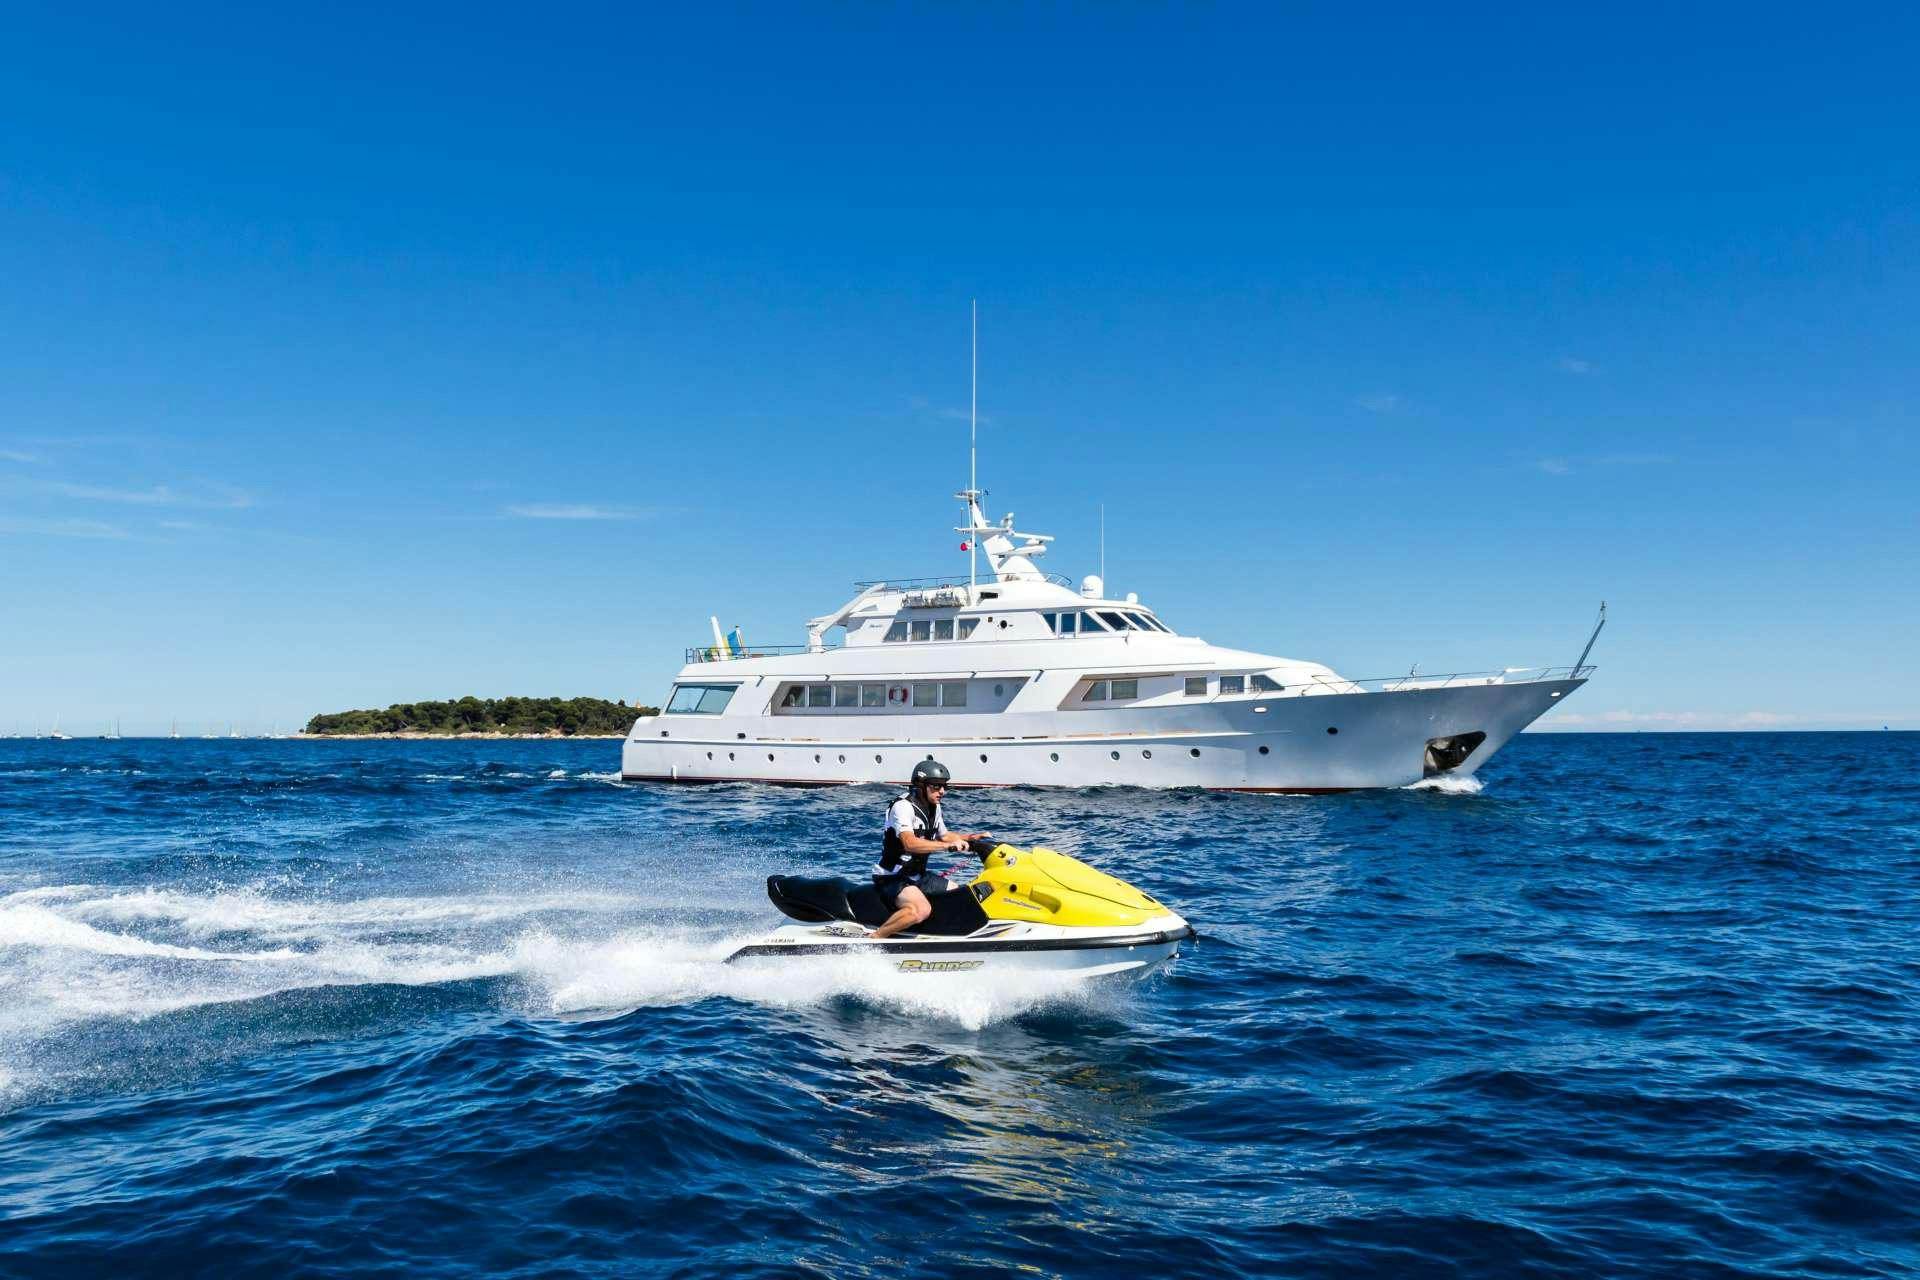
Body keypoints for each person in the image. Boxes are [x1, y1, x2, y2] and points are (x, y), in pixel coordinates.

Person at [868, 759, 992, 939]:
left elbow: (945, 836)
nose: (942, 791)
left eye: (944, 786)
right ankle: (876, 938)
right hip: (892, 877)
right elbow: (909, 843)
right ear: (920, 785)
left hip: (917, 876)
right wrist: (947, 846)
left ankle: (942, 933)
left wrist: (972, 839)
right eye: (936, 786)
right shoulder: (903, 807)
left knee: (958, 894)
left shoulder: (935, 807)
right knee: (921, 909)